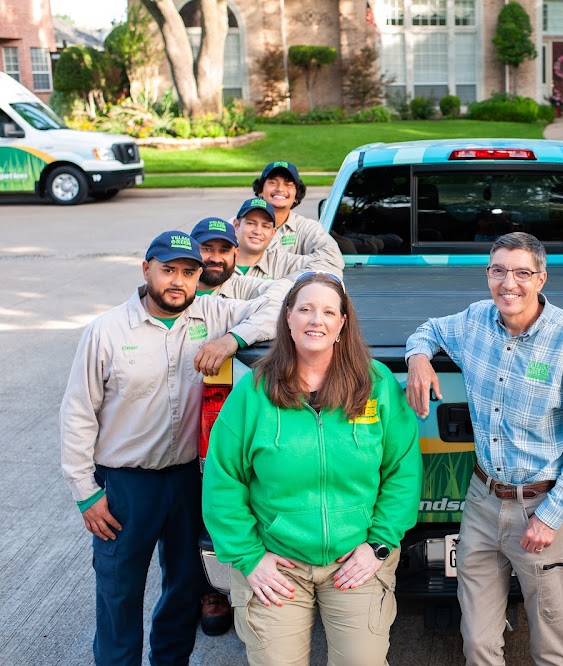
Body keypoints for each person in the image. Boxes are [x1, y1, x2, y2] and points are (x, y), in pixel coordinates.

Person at [60, 230, 277, 665]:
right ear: (146, 270)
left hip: (186, 481)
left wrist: (233, 339)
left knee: (184, 588)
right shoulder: (105, 331)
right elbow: (78, 413)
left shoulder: (211, 314)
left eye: (189, 272)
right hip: (125, 485)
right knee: (119, 593)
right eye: (169, 270)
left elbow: (285, 300)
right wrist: (85, 491)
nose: (178, 281)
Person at [404, 232, 563, 666]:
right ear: (487, 274)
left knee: (550, 647)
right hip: (481, 502)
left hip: (540, 508)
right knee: (477, 642)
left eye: (522, 273)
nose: (508, 283)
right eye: (499, 271)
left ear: (541, 278)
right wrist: (418, 358)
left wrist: (553, 516)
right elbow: (430, 329)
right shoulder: (476, 320)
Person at [202, 272, 422, 665]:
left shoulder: (376, 384)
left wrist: (378, 545)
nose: (315, 320)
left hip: (355, 560)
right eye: (305, 309)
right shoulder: (253, 391)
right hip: (277, 564)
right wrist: (249, 557)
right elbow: (223, 480)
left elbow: (402, 470)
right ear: (288, 318)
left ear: (342, 323)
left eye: (327, 311)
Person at [253, 160, 348, 267]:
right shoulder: (240, 225)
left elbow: (334, 259)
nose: (280, 189)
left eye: (288, 184)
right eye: (272, 183)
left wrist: (282, 267)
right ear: (260, 191)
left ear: (296, 195)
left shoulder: (308, 228)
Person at [232, 197, 344, 280]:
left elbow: (331, 266)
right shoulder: (220, 260)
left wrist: (285, 284)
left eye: (265, 226)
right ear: (236, 225)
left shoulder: (281, 261)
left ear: (273, 233)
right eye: (251, 223)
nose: (257, 231)